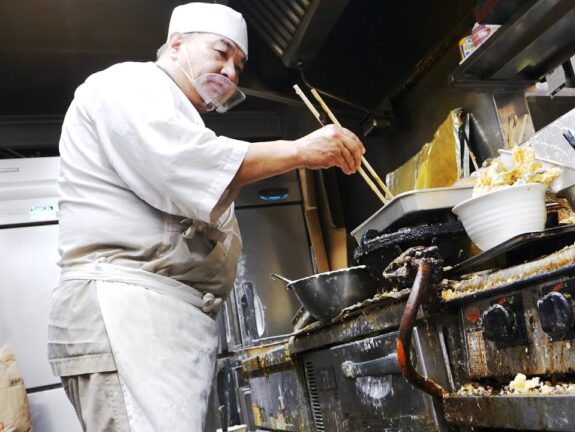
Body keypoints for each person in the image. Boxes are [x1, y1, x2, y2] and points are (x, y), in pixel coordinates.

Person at [47, 3, 365, 431]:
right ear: (177, 43)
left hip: (154, 325)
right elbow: (180, 164)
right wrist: (300, 150)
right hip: (126, 316)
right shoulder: (130, 83)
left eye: (239, 65)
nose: (231, 71)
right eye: (221, 52)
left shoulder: (177, 115)